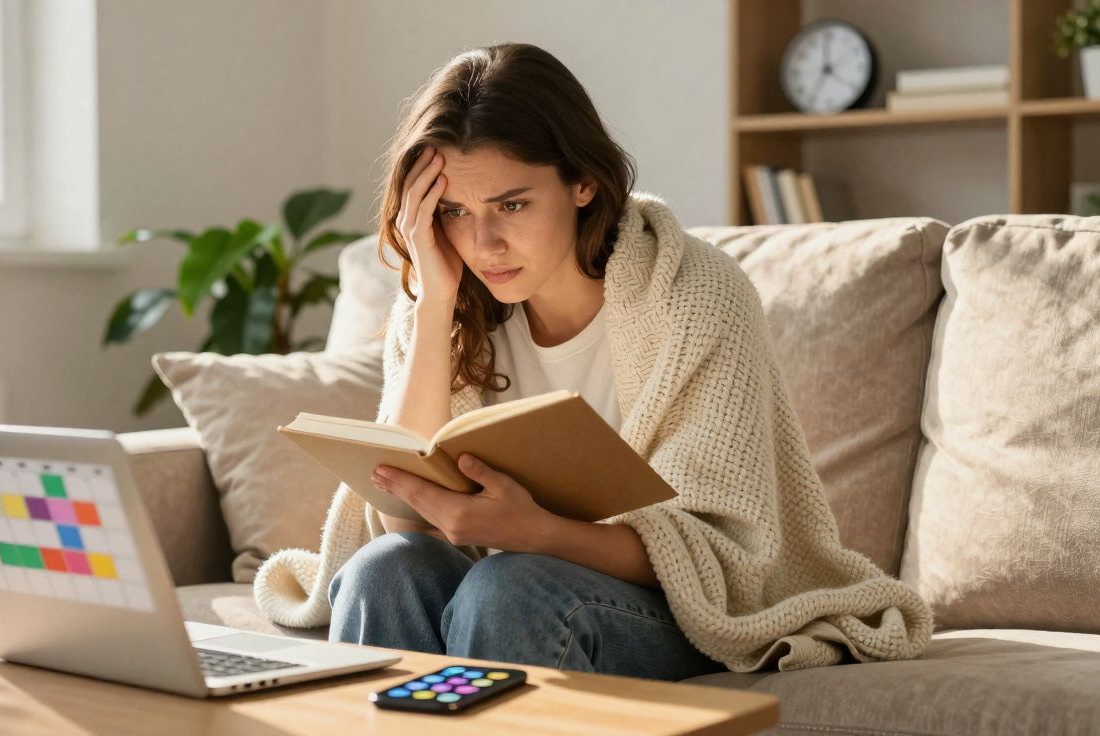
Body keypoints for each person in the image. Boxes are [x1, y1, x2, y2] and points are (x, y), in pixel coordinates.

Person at [252, 42, 933, 678]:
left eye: (511, 204)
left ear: (581, 183)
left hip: (676, 606)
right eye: (455, 212)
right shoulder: (444, 302)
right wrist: (433, 307)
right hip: (505, 579)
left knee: (510, 586)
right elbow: (405, 523)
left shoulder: (695, 295)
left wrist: (537, 532)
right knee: (384, 568)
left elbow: (721, 557)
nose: (484, 242)